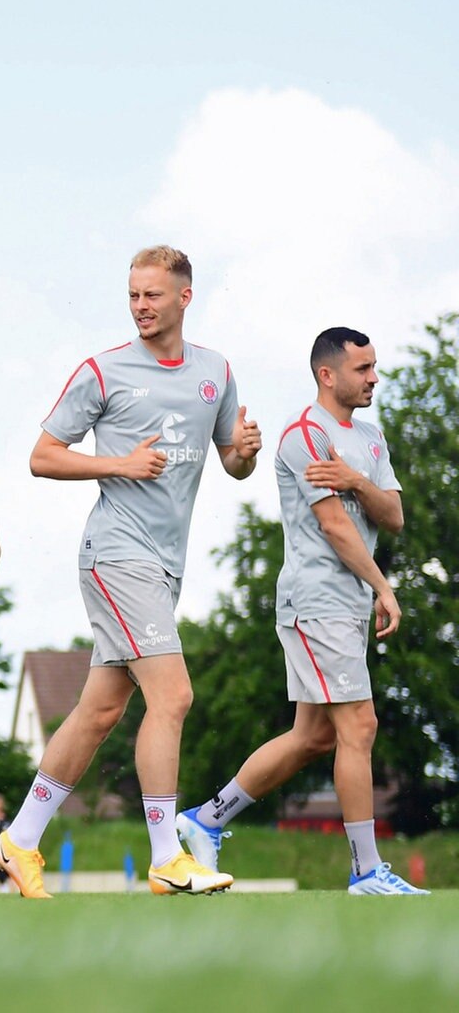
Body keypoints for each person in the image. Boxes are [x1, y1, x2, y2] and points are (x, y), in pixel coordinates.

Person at [0, 245, 260, 898]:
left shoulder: (215, 372)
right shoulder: (103, 372)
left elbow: (233, 461)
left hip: (167, 565)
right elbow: (42, 456)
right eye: (133, 295)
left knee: (100, 711)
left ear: (183, 297)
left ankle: (17, 841)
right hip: (116, 554)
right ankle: (169, 856)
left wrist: (246, 455)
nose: (140, 306)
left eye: (152, 295)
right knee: (175, 696)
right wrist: (118, 464)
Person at [178, 328, 425, 895]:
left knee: (313, 736)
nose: (374, 378)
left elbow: (394, 516)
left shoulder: (369, 437)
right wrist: (386, 588)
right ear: (328, 374)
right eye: (363, 369)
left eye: (374, 367)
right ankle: (366, 871)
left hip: (346, 604)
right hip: (317, 603)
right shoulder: (302, 436)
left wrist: (356, 479)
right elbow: (336, 526)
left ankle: (206, 818)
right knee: (359, 727)